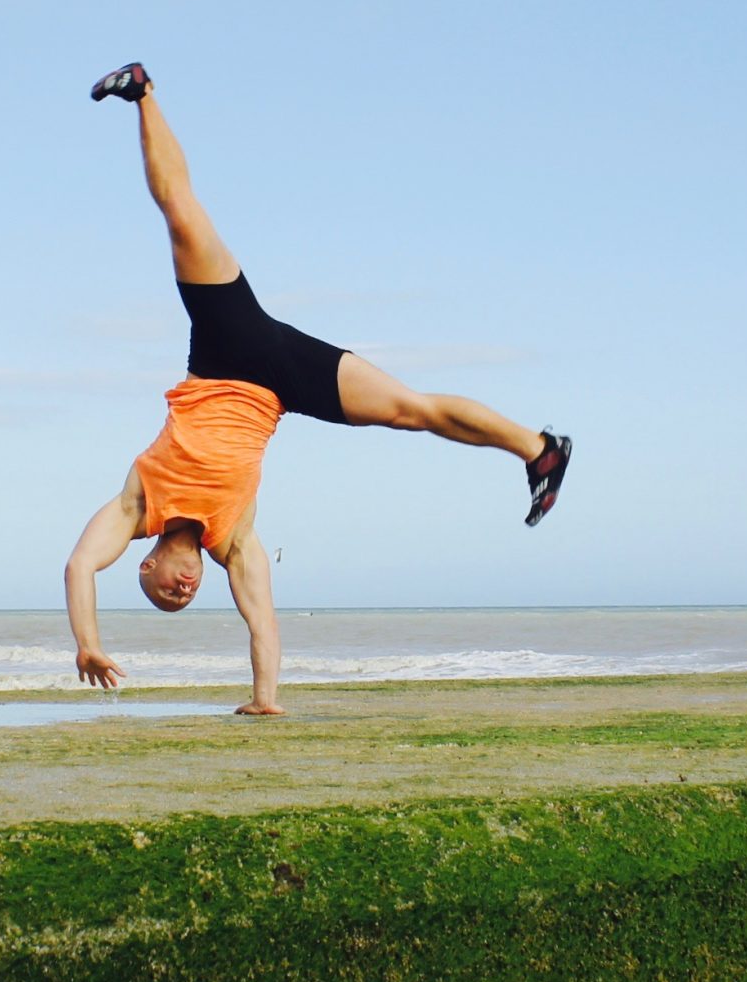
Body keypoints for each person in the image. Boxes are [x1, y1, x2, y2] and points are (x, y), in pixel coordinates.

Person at [63, 63, 571, 716]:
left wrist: (87, 643)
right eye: (184, 598)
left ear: (147, 565)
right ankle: (542, 449)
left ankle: (142, 92)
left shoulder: (137, 509)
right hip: (283, 383)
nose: (182, 589)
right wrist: (264, 701)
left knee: (182, 216)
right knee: (412, 411)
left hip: (226, 350)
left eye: (165, 591)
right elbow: (263, 621)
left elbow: (79, 565)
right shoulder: (233, 541)